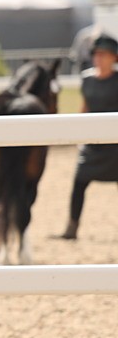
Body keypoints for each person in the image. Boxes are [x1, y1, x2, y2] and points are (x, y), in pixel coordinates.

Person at [59, 34, 118, 239]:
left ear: (114, 57)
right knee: (79, 183)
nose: (98, 58)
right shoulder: (87, 80)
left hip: (116, 145)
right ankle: (72, 228)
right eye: (96, 54)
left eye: (103, 54)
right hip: (93, 144)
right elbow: (84, 107)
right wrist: (78, 133)